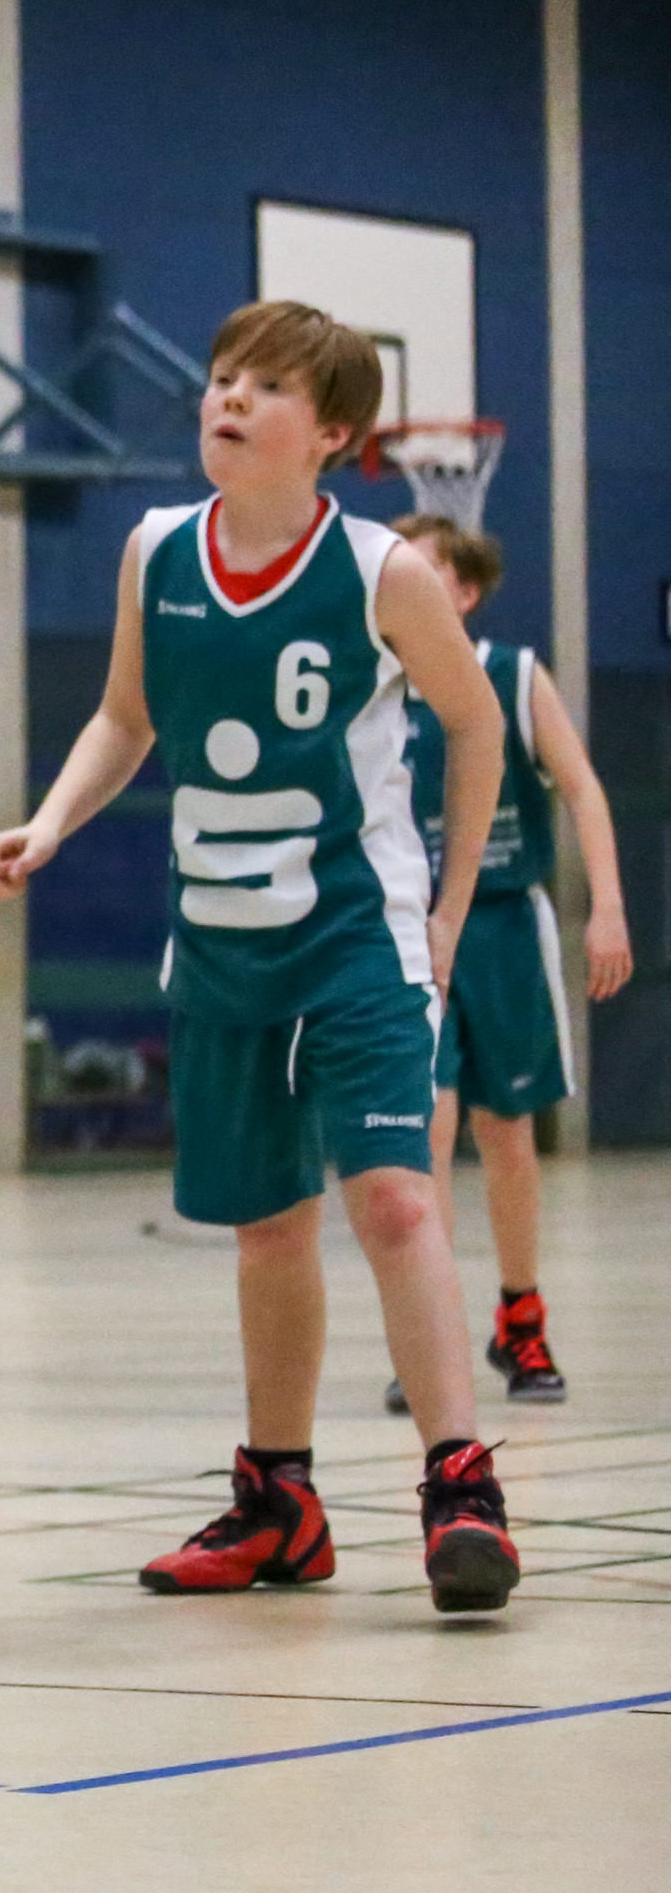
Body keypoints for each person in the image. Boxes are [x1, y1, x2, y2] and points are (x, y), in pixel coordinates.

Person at [0, 302, 517, 1612]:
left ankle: (460, 1484)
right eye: (222, 377)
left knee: (394, 1200)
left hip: (354, 936)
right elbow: (123, 718)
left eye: (264, 385)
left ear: (331, 433)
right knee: (267, 1228)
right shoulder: (155, 550)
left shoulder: (382, 570)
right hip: (220, 944)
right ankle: (279, 1504)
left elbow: (475, 723)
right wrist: (48, 823)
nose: (226, 397)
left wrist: (448, 909)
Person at [380, 514, 629, 1413]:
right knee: (429, 1128)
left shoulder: (514, 675)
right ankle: (434, 1325)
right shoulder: (373, 682)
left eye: (423, 568)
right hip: (410, 933)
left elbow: (584, 789)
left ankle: (521, 1318)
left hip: (503, 925)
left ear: (464, 589)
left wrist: (606, 905)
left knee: (507, 1131)